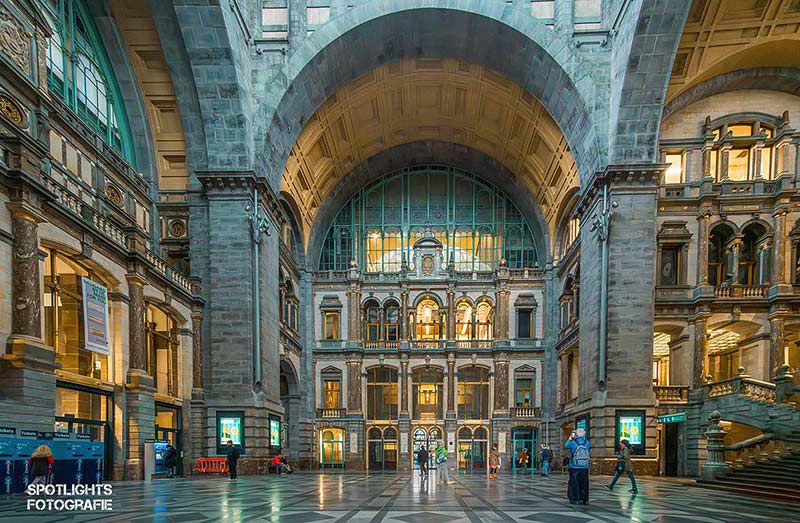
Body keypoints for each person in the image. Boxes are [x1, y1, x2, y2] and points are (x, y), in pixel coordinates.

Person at [564, 428, 590, 505]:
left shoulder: (573, 443)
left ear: (576, 435)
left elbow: (566, 445)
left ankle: (575, 499)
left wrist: (571, 437)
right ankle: (584, 499)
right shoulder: (587, 442)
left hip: (574, 466)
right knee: (584, 483)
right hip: (585, 466)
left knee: (574, 482)